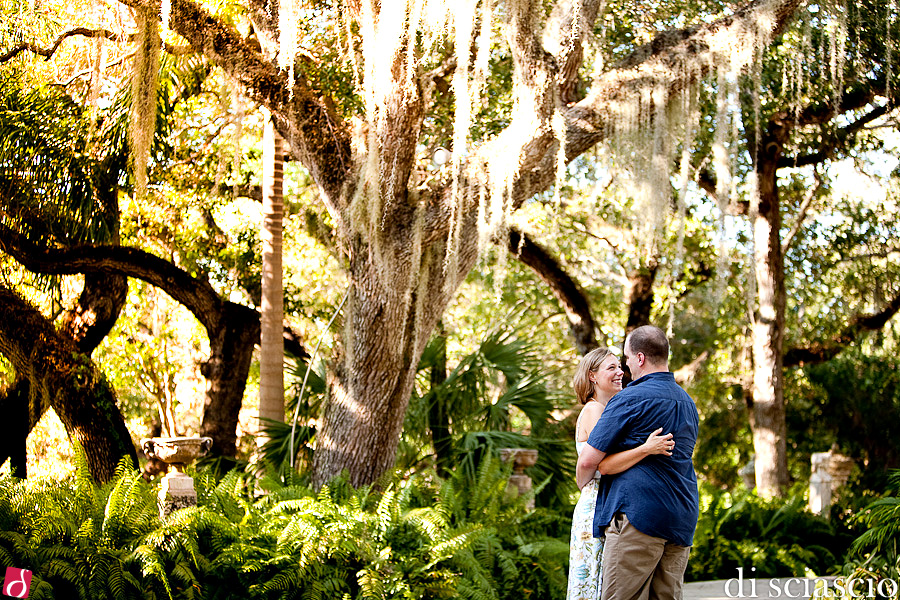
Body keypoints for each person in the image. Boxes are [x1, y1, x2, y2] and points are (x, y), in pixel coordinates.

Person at [575, 326, 700, 600]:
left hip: (639, 517)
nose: (626, 366)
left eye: (627, 358)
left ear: (640, 358)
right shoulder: (688, 403)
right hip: (681, 517)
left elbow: (592, 462)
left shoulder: (629, 399)